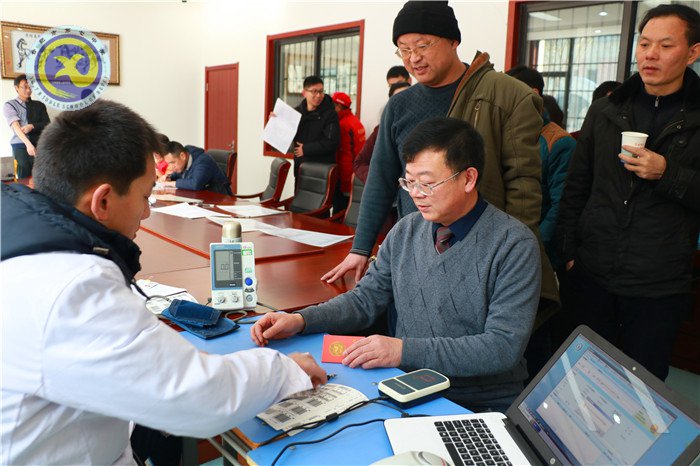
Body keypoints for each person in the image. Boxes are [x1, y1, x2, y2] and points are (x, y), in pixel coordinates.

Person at [1, 99, 327, 465]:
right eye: (144, 196)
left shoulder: (26, 247)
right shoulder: (72, 286)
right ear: (103, 201)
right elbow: (197, 398)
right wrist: (283, 369)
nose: (147, 211)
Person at [253, 118, 541, 413]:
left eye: (427, 183)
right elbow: (364, 300)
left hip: (476, 403)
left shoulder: (513, 245)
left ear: (468, 178)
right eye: (409, 182)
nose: (415, 193)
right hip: (404, 387)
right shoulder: (406, 231)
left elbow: (501, 347)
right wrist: (301, 320)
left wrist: (402, 350)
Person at [323, 0, 558, 332]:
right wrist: (361, 248)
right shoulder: (399, 105)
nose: (413, 58)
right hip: (418, 251)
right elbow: (380, 179)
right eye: (403, 50)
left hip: (479, 251)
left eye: (423, 45)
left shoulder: (507, 95)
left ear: (453, 41)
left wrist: (510, 260)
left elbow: (523, 187)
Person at [557, 4, 700, 381]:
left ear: (693, 52)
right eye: (645, 43)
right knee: (583, 379)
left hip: (658, 283)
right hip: (592, 273)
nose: (650, 54)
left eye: (665, 45)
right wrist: (570, 254)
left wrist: (667, 172)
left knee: (643, 387)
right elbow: (577, 186)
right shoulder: (606, 109)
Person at [506, 65, 576, 380]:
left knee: (538, 331)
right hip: (507, 246)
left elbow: (561, 206)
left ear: (532, 95)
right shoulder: (506, 132)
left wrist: (534, 247)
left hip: (540, 249)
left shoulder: (558, 142)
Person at [354, 81, 410, 184]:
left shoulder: (426, 131)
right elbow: (359, 163)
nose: (404, 103)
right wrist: (380, 180)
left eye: (409, 98)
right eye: (398, 99)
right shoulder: (381, 130)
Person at [290, 75, 340, 180]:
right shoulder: (295, 113)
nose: (318, 95)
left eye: (321, 91)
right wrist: (275, 120)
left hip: (320, 171)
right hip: (300, 169)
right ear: (304, 93)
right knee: (299, 196)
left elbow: (332, 143)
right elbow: (281, 136)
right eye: (314, 91)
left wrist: (306, 149)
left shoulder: (330, 114)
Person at [3, 74, 50, 179]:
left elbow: (47, 124)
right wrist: (28, 145)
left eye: (30, 87)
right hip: (21, 145)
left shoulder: (39, 105)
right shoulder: (10, 105)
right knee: (23, 176)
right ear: (16, 88)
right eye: (25, 87)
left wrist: (32, 126)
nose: (28, 90)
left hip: (39, 144)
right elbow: (15, 126)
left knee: (42, 177)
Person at [331, 92, 366, 214]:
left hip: (346, 176)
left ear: (339, 107)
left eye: (332, 105)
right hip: (355, 174)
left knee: (340, 210)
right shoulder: (355, 120)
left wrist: (344, 183)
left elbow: (345, 155)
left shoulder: (342, 125)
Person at [159, 140, 232, 195]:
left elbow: (196, 184)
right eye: (169, 164)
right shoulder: (186, 159)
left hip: (220, 198)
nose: (171, 167)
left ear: (182, 156)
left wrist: (171, 183)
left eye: (172, 162)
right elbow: (181, 174)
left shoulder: (203, 161)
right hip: (201, 198)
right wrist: (169, 177)